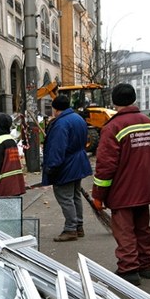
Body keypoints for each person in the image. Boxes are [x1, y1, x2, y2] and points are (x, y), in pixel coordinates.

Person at [92, 84, 150, 286]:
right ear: (133, 99)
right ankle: (145, 265)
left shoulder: (113, 127)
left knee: (124, 230)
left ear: (114, 101)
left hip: (123, 189)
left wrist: (99, 194)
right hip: (145, 187)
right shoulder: (149, 123)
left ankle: (129, 268)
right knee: (142, 227)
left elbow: (105, 166)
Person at [41, 94, 92, 242]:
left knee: (65, 197)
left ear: (55, 109)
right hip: (78, 162)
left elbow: (57, 148)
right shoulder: (78, 119)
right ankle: (78, 226)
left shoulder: (61, 124)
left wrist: (51, 167)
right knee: (75, 195)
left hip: (66, 165)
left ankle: (70, 229)